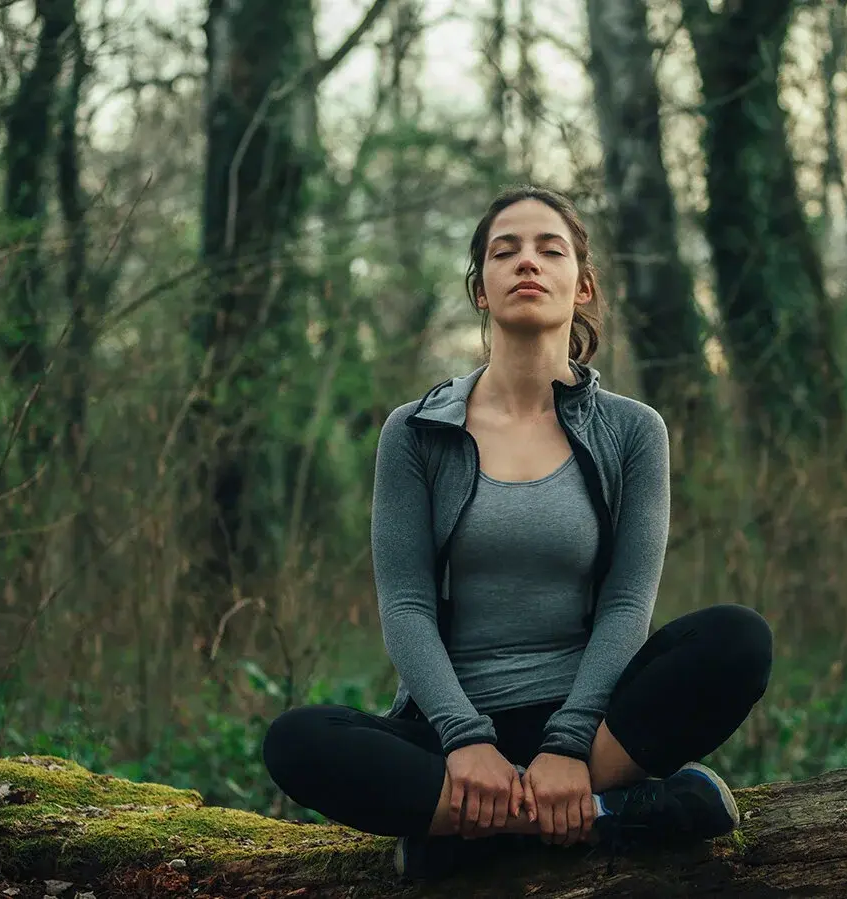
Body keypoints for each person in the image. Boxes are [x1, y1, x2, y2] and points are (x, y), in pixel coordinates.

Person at [262, 185, 772, 880]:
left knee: (737, 637)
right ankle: (610, 815)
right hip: (454, 735)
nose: (526, 262)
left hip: (596, 727)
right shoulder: (416, 431)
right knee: (297, 740)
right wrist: (466, 739)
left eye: (548, 248)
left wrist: (567, 743)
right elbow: (406, 606)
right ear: (481, 288)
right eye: (505, 251)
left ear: (582, 283)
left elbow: (628, 604)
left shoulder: (633, 430)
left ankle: (473, 829)